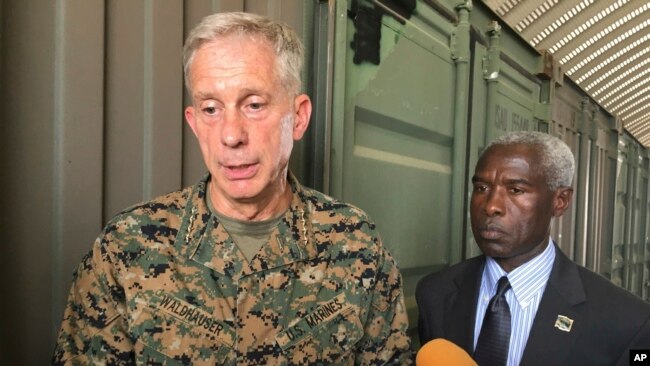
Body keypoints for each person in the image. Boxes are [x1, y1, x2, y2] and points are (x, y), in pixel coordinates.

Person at [53, 12, 413, 365]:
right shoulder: (126, 247)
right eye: (211, 109)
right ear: (193, 123)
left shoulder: (355, 244)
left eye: (253, 105)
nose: (230, 135)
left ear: (298, 117)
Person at [416, 131, 650, 366]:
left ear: (560, 201)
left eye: (515, 190)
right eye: (482, 188)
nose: (491, 206)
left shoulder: (628, 320)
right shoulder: (435, 294)